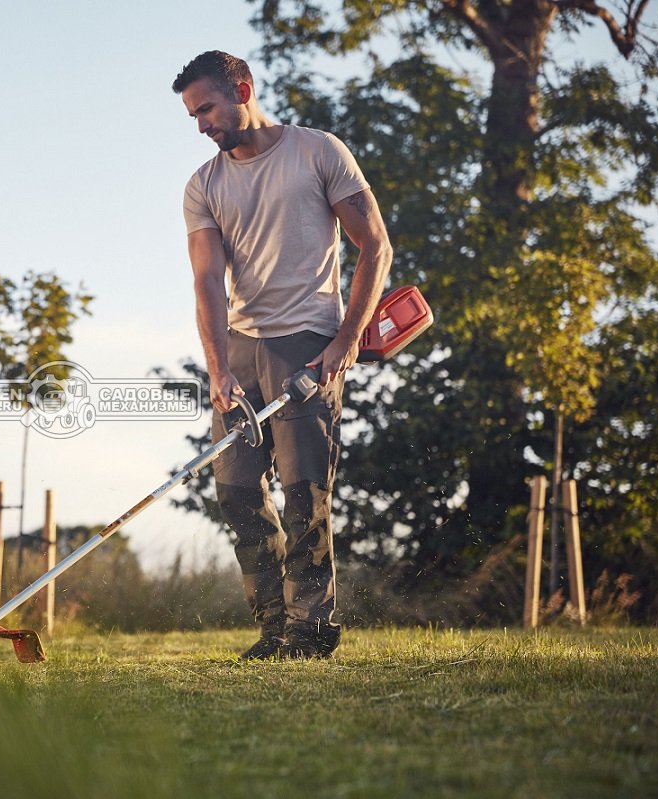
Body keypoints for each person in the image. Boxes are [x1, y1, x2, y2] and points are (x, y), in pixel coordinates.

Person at [172, 51, 393, 659]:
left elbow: (375, 246)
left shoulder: (318, 152)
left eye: (208, 108)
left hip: (308, 343)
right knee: (237, 493)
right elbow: (206, 284)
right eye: (192, 115)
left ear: (242, 89)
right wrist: (218, 371)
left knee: (303, 492)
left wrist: (346, 342)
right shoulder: (204, 186)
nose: (201, 125)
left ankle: (310, 629)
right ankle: (274, 628)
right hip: (239, 350)